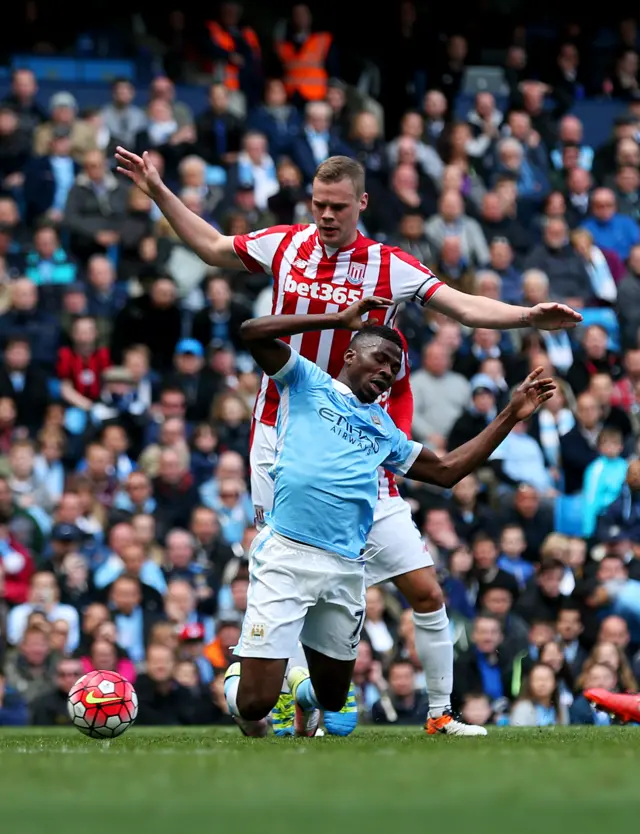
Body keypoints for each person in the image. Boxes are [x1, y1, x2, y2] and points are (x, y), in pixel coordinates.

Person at [115, 146, 578, 736]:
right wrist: (158, 189)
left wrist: (526, 315)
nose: (326, 215)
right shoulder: (286, 245)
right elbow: (210, 248)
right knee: (287, 555)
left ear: (361, 202)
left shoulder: (389, 266)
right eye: (318, 204)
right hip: (280, 433)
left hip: (361, 438)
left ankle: (369, 699)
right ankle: (268, 688)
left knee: (417, 584)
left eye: (337, 206)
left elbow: (461, 307)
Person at [219, 295, 555, 737]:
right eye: (380, 359)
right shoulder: (305, 381)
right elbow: (250, 331)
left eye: (394, 370)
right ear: (350, 354)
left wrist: (510, 414)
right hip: (286, 555)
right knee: (255, 704)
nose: (386, 372)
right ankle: (238, 679)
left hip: (344, 568)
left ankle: (299, 689)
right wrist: (335, 318)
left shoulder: (384, 430)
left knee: (334, 697)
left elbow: (447, 470)